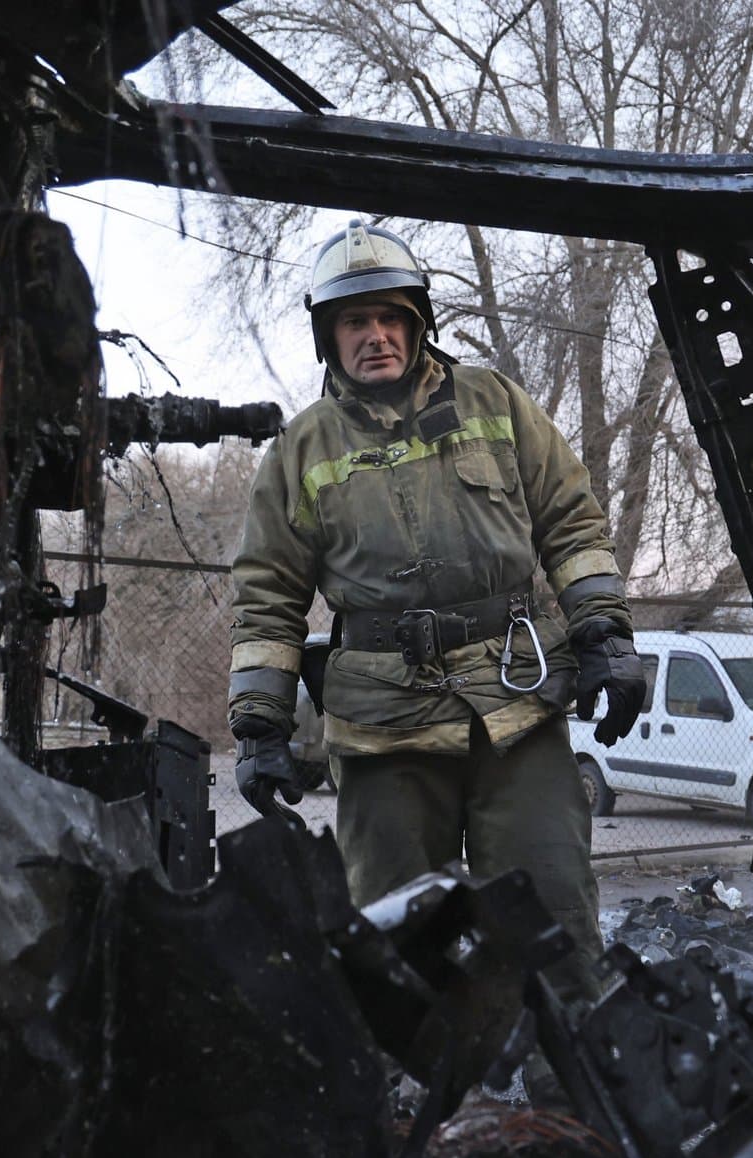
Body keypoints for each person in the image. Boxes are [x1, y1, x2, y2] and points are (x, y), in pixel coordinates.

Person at [226, 219, 645, 998]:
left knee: (555, 922)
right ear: (330, 337)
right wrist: (258, 723)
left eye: (391, 317)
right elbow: (266, 595)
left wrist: (604, 633)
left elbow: (573, 522)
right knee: (395, 944)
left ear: (418, 324)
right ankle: (421, 1112)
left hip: (516, 702)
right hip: (384, 726)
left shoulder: (496, 402)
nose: (376, 336)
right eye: (356, 321)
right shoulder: (300, 449)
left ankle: (577, 1107)